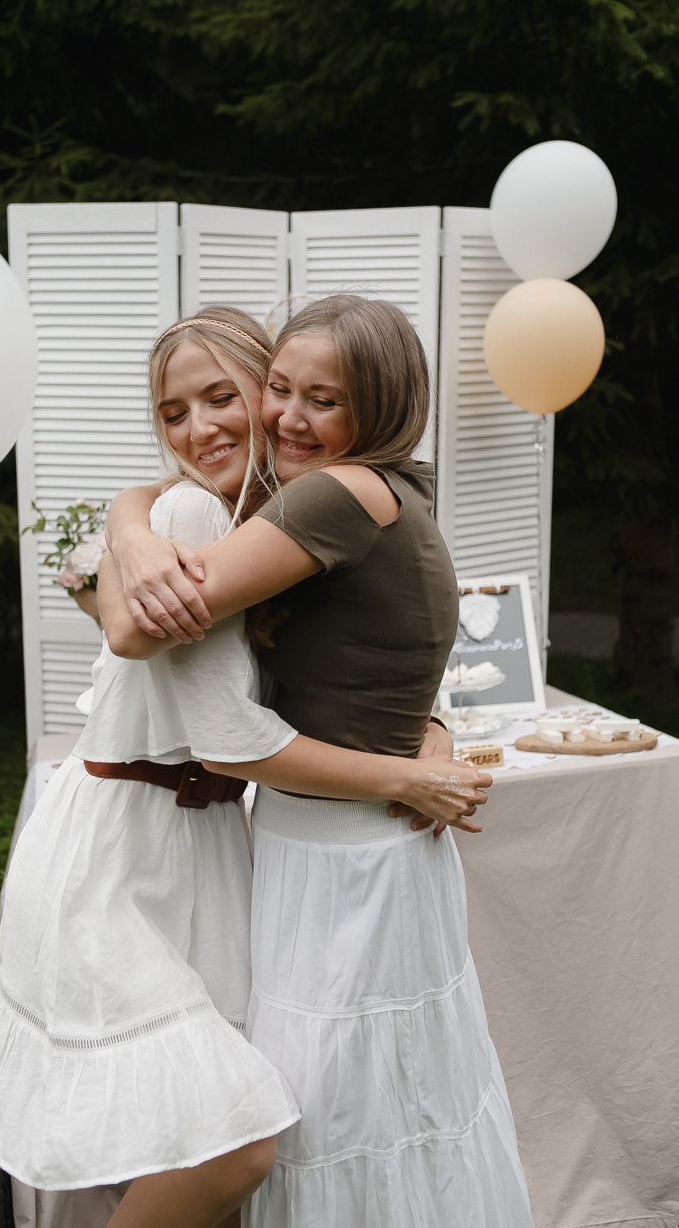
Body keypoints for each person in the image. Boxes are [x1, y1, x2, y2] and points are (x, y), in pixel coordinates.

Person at [0, 305, 491, 1228]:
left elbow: (343, 660)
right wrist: (132, 522)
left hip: (196, 850)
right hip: (123, 858)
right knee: (234, 1142)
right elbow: (189, 692)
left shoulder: (268, 531)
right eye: (173, 413)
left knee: (191, 1118)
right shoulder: (192, 512)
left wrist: (426, 721)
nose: (204, 428)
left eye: (225, 397)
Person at [101, 296, 534, 1227]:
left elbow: (137, 625)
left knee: (328, 1112)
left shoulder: (334, 494)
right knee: (386, 1103)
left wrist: (127, 535)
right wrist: (132, 513)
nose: (290, 418)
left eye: (323, 400)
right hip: (345, 848)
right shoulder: (387, 490)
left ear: (376, 408)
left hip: (343, 863)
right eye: (282, 391)